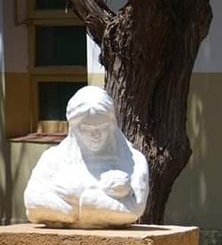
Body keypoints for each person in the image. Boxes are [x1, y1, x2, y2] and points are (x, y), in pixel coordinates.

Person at [23, 85, 149, 228]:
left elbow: (133, 210)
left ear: (112, 124)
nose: (95, 135)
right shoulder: (53, 158)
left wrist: (73, 199)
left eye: (102, 127)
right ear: (74, 128)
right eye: (86, 129)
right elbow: (32, 202)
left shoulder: (133, 162)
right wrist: (104, 198)